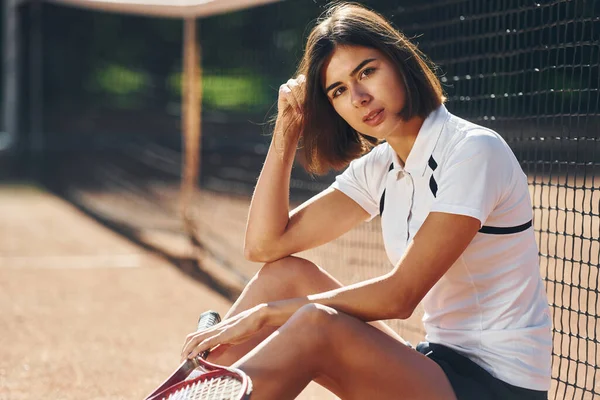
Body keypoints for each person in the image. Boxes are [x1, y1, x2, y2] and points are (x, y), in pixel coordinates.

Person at [181, 3, 552, 399]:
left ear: (399, 62)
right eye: (338, 90)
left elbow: (400, 295)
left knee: (315, 323)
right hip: (435, 364)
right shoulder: (383, 165)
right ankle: (189, 392)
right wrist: (286, 132)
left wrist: (267, 315)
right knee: (284, 275)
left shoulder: (473, 150)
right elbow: (264, 246)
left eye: (367, 72)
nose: (358, 97)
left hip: (497, 387)